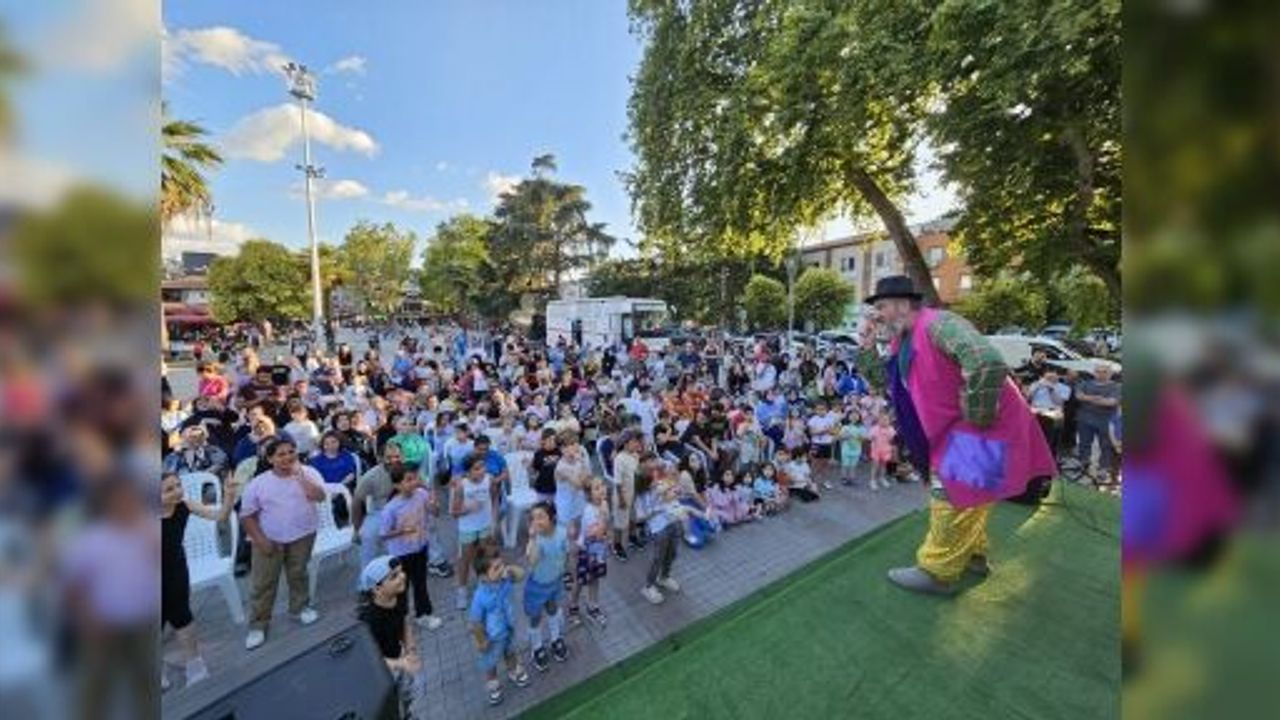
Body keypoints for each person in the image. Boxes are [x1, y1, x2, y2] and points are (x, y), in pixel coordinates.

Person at [856, 275, 1054, 595]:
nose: (875, 315)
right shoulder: (900, 340)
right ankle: (973, 557)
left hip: (977, 429)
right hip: (960, 431)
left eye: (880, 307)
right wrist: (865, 345)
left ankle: (938, 573)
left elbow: (986, 361)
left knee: (949, 496)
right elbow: (883, 383)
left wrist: (976, 416)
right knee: (971, 496)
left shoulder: (939, 324)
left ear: (903, 305)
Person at [239, 437, 327, 650]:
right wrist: (261, 541)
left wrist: (301, 478)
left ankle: (300, 608)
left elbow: (320, 496)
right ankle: (258, 625)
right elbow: (247, 516)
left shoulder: (309, 472)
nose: (288, 457)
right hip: (270, 540)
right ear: (269, 459)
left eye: (291, 451)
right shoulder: (259, 483)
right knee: (264, 583)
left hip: (303, 535)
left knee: (298, 573)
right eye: (281, 454)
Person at [160, 472, 236, 689]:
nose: (177, 492)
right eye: (169, 489)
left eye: (178, 486)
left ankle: (195, 664)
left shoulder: (185, 505)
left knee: (182, 616)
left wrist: (229, 495)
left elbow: (220, 516)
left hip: (175, 569)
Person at [356, 556, 422, 720]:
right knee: (389, 708)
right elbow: (369, 659)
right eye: (394, 576)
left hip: (397, 658)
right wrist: (401, 664)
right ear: (377, 589)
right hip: (379, 672)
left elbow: (404, 621)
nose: (402, 577)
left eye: (401, 572)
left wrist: (410, 649)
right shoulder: (369, 621)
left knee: (408, 694)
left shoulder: (398, 595)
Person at [379, 465, 444, 631]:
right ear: (397, 485)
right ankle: (398, 622)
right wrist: (402, 531)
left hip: (420, 548)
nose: (414, 482)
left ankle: (423, 615)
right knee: (401, 589)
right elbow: (384, 534)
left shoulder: (421, 494)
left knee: (421, 584)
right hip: (401, 555)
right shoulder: (390, 508)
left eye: (415, 478)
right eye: (408, 480)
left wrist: (434, 505)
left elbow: (434, 513)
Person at [468, 554, 531, 706]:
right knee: (490, 662)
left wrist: (509, 568)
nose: (501, 569)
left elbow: (521, 575)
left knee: (510, 652)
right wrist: (481, 641)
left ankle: (514, 671)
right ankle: (493, 685)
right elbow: (475, 622)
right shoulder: (480, 596)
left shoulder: (505, 579)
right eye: (496, 568)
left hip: (508, 628)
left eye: (502, 564)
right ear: (483, 576)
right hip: (492, 637)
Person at [636, 477, 705, 605]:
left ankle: (664, 577)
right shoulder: (641, 496)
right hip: (658, 530)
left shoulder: (661, 488)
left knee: (672, 554)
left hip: (673, 525)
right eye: (652, 480)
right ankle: (649, 586)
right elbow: (639, 518)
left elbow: (678, 503)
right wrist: (655, 510)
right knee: (658, 558)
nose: (656, 481)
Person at [522, 503, 570, 673]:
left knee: (552, 609)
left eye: (541, 517)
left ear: (553, 518)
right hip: (536, 586)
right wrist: (533, 539)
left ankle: (556, 639)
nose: (536, 521)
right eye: (533, 518)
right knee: (535, 618)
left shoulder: (562, 533)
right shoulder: (535, 540)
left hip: (555, 582)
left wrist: (566, 571)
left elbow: (566, 552)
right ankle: (537, 647)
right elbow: (532, 561)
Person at [450, 454, 499, 611]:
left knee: (484, 557)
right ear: (467, 472)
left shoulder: (489, 479)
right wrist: (468, 509)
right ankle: (462, 589)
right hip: (468, 528)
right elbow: (454, 512)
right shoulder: (461, 486)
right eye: (476, 469)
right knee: (465, 559)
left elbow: (494, 499)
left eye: (483, 467)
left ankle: (483, 583)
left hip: (485, 526)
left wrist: (494, 520)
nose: (481, 471)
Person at [572, 480, 610, 626]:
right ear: (589, 494)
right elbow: (597, 534)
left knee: (595, 579)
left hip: (598, 551)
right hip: (587, 553)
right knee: (580, 582)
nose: (601, 490)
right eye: (596, 488)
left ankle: (593, 606)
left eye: (602, 486)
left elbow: (606, 528)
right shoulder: (589, 511)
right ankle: (573, 607)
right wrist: (603, 516)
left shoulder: (603, 504)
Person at [1075, 363, 1121, 482]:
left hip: (1106, 421)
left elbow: (1111, 402)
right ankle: (1083, 463)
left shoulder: (1117, 386)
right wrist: (1098, 399)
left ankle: (1103, 468)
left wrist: (1088, 398)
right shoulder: (1085, 383)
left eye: (1104, 372)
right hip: (1085, 419)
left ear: (1111, 374)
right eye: (1098, 371)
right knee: (1084, 443)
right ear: (1094, 372)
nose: (1101, 374)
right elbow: (1078, 396)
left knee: (1105, 446)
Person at [610, 430, 643, 559]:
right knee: (619, 523)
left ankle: (632, 537)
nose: (637, 444)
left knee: (633, 518)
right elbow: (617, 482)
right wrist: (622, 500)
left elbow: (637, 473)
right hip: (622, 496)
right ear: (625, 443)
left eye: (637, 441)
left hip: (634, 493)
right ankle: (617, 545)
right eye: (634, 442)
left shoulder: (635, 455)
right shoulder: (619, 459)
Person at [1025, 368, 1071, 454]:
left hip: (1053, 413)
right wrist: (1037, 386)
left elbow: (1059, 402)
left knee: (1051, 439)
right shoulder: (1036, 384)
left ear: (1058, 376)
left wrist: (1051, 389)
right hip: (1036, 411)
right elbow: (1028, 398)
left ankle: (1050, 459)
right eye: (1048, 376)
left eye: (1053, 375)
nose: (1050, 378)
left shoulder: (1064, 387)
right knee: (1034, 437)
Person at [838, 411, 868, 487]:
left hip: (856, 450)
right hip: (846, 450)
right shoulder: (845, 427)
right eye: (852, 415)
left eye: (856, 415)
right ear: (848, 417)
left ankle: (852, 478)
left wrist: (860, 437)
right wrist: (845, 436)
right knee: (845, 465)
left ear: (859, 417)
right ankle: (844, 478)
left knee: (853, 465)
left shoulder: (862, 428)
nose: (854, 417)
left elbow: (865, 439)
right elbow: (840, 437)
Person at [867, 413, 898, 490]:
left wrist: (892, 447)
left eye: (886, 420)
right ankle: (872, 480)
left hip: (886, 450)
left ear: (889, 421)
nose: (884, 421)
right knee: (875, 465)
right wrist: (872, 438)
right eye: (882, 420)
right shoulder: (875, 428)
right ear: (878, 421)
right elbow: (869, 437)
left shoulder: (891, 429)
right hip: (876, 450)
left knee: (883, 465)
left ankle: (882, 478)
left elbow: (892, 439)